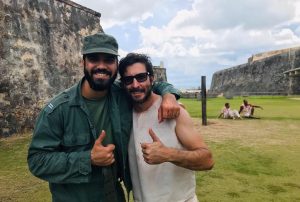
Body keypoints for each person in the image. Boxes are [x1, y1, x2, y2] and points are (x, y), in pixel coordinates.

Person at [27, 33, 181, 202]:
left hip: (114, 195)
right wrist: (88, 158)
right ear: (83, 63)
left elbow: (151, 84)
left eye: (108, 60)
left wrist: (169, 94)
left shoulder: (121, 94)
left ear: (116, 65)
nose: (101, 66)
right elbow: (37, 161)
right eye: (94, 59)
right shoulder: (58, 110)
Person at [118, 53, 214, 202]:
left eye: (141, 77)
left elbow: (207, 160)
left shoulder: (175, 112)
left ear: (152, 78)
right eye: (128, 80)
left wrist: (168, 154)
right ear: (123, 84)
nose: (136, 84)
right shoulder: (124, 116)